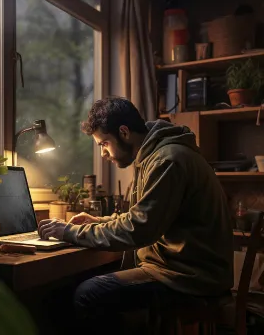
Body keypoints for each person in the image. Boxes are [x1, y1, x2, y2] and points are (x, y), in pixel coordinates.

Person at [38, 97, 234, 334]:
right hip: (182, 269)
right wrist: (98, 221)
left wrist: (71, 232)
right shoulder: (155, 156)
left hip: (190, 277)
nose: (103, 154)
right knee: (75, 287)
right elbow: (140, 216)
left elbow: (140, 229)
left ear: (124, 132)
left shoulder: (167, 161)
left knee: (87, 294)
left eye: (104, 144)